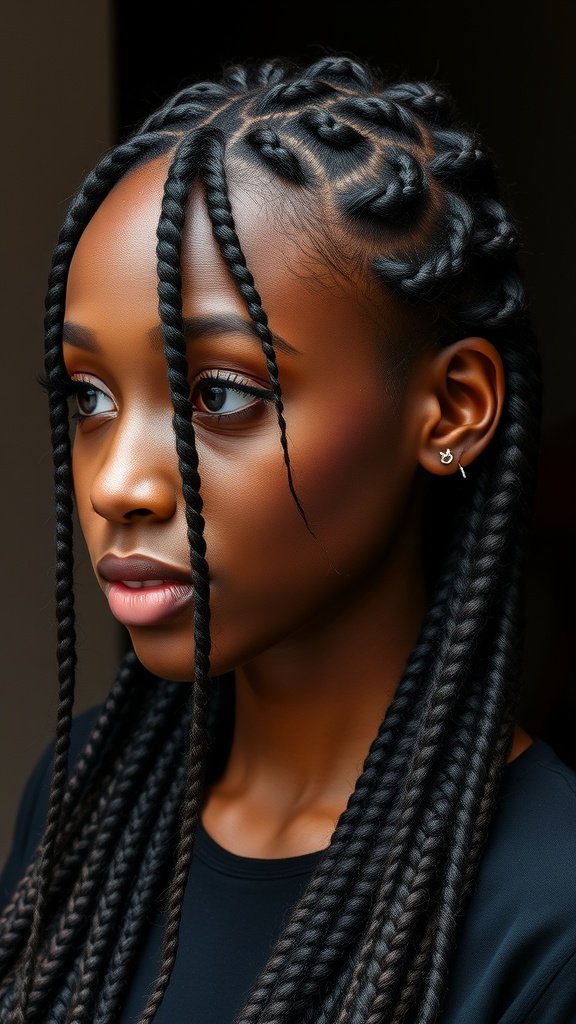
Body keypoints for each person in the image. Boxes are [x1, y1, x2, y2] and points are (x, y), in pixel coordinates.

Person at [0, 52, 574, 1024]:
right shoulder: (83, 792)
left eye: (219, 394)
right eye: (90, 397)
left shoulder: (546, 910)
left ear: (450, 409)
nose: (118, 482)